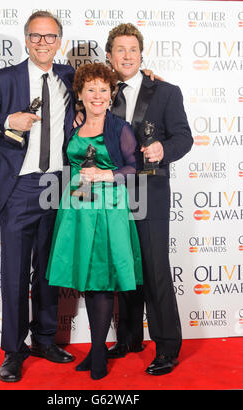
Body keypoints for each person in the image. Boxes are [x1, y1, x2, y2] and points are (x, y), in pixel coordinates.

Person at [0, 11, 76, 383]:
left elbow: (109, 86)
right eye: (36, 36)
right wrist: (7, 122)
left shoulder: (70, 77)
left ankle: (45, 340)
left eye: (50, 37)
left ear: (59, 40)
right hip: (18, 187)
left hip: (57, 185)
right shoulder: (4, 78)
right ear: (26, 39)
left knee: (48, 270)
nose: (42, 43)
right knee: (15, 273)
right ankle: (14, 350)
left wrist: (148, 79)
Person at [45, 63, 143, 380]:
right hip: (76, 210)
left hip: (107, 209)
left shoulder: (119, 129)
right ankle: (96, 348)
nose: (97, 96)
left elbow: (135, 167)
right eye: (91, 90)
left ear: (112, 94)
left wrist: (106, 174)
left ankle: (98, 352)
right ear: (80, 94)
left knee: (100, 280)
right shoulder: (74, 128)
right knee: (86, 279)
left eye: (104, 89)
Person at [105, 23, 193, 375]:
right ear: (109, 56)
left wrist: (163, 148)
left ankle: (167, 346)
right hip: (110, 192)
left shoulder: (166, 91)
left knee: (155, 268)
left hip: (150, 190)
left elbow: (184, 137)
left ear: (141, 53)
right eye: (120, 50)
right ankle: (128, 337)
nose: (127, 56)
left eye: (132, 49)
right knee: (123, 265)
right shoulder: (100, 91)